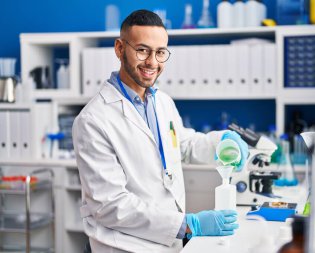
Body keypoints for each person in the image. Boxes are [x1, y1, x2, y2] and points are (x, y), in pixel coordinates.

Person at [72, 9, 248, 253]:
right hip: (126, 247)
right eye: (142, 50)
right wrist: (187, 224)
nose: (152, 62)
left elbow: (184, 144)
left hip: (168, 243)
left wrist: (221, 142)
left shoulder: (161, 101)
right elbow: (110, 205)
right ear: (120, 49)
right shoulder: (93, 120)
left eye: (160, 52)